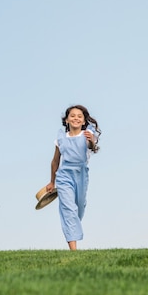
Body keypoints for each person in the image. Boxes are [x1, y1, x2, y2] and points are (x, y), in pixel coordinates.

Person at [45, 105, 101, 250]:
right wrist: (52, 182)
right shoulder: (61, 138)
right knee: (68, 209)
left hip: (81, 175)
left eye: (79, 116)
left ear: (83, 121)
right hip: (64, 176)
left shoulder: (88, 134)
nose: (76, 118)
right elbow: (55, 161)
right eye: (72, 115)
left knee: (78, 209)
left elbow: (92, 148)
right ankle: (73, 250)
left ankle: (74, 230)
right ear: (67, 120)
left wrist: (91, 141)